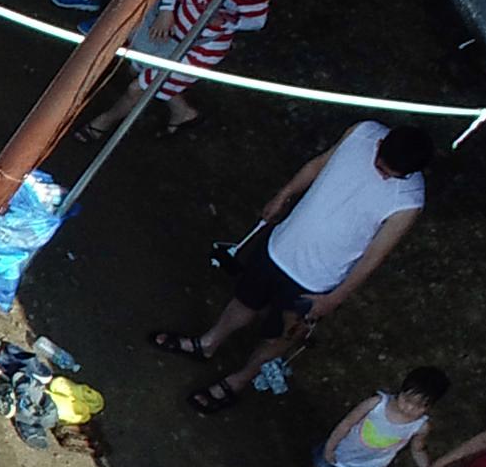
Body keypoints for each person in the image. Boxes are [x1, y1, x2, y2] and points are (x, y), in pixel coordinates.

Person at [164, 122, 429, 401]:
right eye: (381, 168)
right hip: (280, 246)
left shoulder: (408, 200)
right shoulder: (362, 134)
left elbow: (374, 257)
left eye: (394, 176)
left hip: (316, 280)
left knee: (280, 336)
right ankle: (208, 343)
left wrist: (333, 299)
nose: (385, 177)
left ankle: (240, 380)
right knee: (243, 300)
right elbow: (317, 165)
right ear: (379, 145)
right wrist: (283, 195)